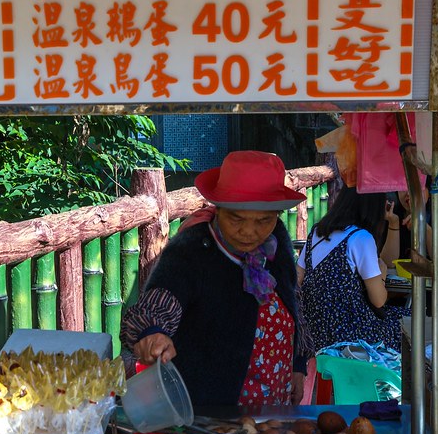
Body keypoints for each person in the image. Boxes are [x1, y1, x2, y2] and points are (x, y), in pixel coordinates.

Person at [121, 151, 313, 407]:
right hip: (210, 412)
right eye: (237, 218)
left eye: (263, 220)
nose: (249, 232)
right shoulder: (192, 251)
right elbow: (159, 301)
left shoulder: (276, 243)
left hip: (274, 401)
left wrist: (297, 364)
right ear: (218, 209)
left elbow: (292, 301)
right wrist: (152, 332)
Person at [296, 186, 403, 354]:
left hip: (313, 332)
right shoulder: (361, 238)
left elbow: (298, 279)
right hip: (351, 337)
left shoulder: (316, 232)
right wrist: (381, 276)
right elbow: (379, 301)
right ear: (373, 208)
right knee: (407, 322)